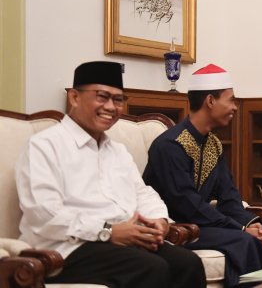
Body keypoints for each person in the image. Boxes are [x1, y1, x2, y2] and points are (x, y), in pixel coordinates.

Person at [15, 61, 206, 288]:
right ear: (74, 98)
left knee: (188, 263)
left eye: (118, 99)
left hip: (120, 243)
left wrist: (159, 220)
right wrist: (107, 231)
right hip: (63, 249)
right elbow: (44, 214)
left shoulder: (117, 151)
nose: (111, 106)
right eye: (102, 96)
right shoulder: (44, 146)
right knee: (151, 268)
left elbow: (143, 193)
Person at [143, 64, 262, 287]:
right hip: (180, 228)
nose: (235, 107)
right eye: (230, 100)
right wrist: (240, 229)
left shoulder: (213, 144)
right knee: (245, 240)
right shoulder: (170, 145)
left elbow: (229, 196)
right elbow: (186, 204)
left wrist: (253, 224)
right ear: (210, 101)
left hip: (205, 224)